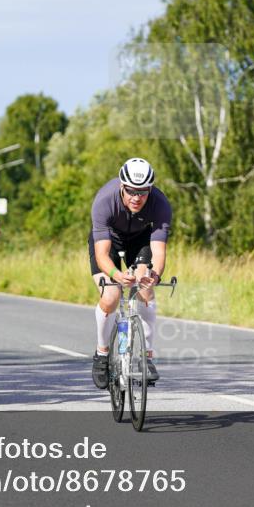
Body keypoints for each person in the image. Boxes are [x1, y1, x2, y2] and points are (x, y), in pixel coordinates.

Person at [89, 157, 172, 389]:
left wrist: (154, 276)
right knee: (111, 296)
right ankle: (102, 354)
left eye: (143, 192)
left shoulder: (160, 204)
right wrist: (116, 274)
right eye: (132, 191)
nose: (137, 198)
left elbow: (158, 252)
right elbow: (102, 255)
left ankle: (147, 357)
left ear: (151, 189)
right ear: (122, 187)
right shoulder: (105, 201)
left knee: (145, 290)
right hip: (109, 244)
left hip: (140, 241)